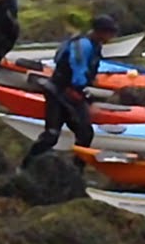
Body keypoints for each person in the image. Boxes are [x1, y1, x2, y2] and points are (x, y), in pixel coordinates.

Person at [21, 13, 119, 167]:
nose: (111, 37)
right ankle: (24, 167)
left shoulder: (96, 46)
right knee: (51, 135)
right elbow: (78, 75)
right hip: (58, 92)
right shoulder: (82, 45)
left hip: (72, 94)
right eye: (109, 33)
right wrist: (88, 100)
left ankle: (76, 170)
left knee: (85, 134)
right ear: (99, 31)